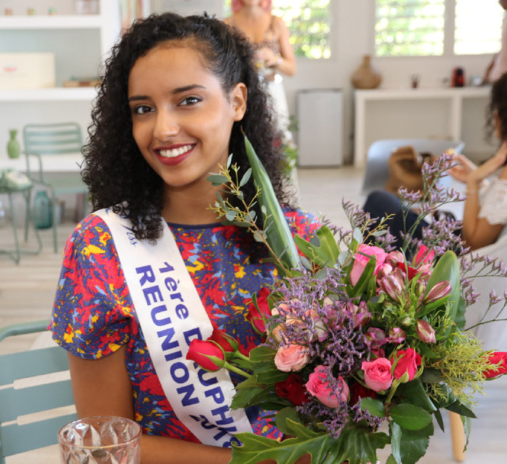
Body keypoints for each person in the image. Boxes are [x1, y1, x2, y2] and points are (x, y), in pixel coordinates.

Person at [50, 13, 318, 464]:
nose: (163, 129)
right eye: (143, 108)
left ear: (237, 101)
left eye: (188, 100)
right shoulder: (101, 246)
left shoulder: (301, 238)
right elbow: (105, 443)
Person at [364, 66, 507, 251]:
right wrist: (480, 180)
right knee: (412, 211)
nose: (495, 115)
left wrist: (472, 183)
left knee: (379, 201)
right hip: (471, 245)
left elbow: (473, 244)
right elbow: (503, 212)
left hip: (453, 261)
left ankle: (368, 278)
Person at [225, 0, 296, 141]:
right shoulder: (228, 25)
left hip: (273, 91)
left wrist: (275, 60)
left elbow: (292, 69)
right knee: (243, 137)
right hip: (242, 91)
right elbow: (221, 65)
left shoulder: (276, 24)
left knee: (278, 138)